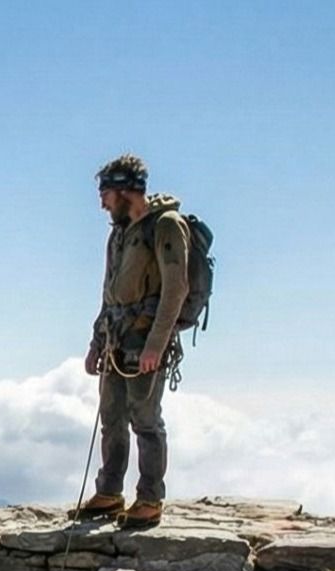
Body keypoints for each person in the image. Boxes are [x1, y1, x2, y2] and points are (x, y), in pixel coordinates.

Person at [79, 154, 191, 526]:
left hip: (145, 339)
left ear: (126, 191)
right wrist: (97, 342)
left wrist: (156, 345)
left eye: (106, 194)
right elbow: (108, 293)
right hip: (115, 339)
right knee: (111, 417)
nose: (102, 203)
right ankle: (109, 493)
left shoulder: (166, 226)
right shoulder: (120, 233)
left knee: (144, 419)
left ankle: (149, 499)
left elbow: (176, 288)